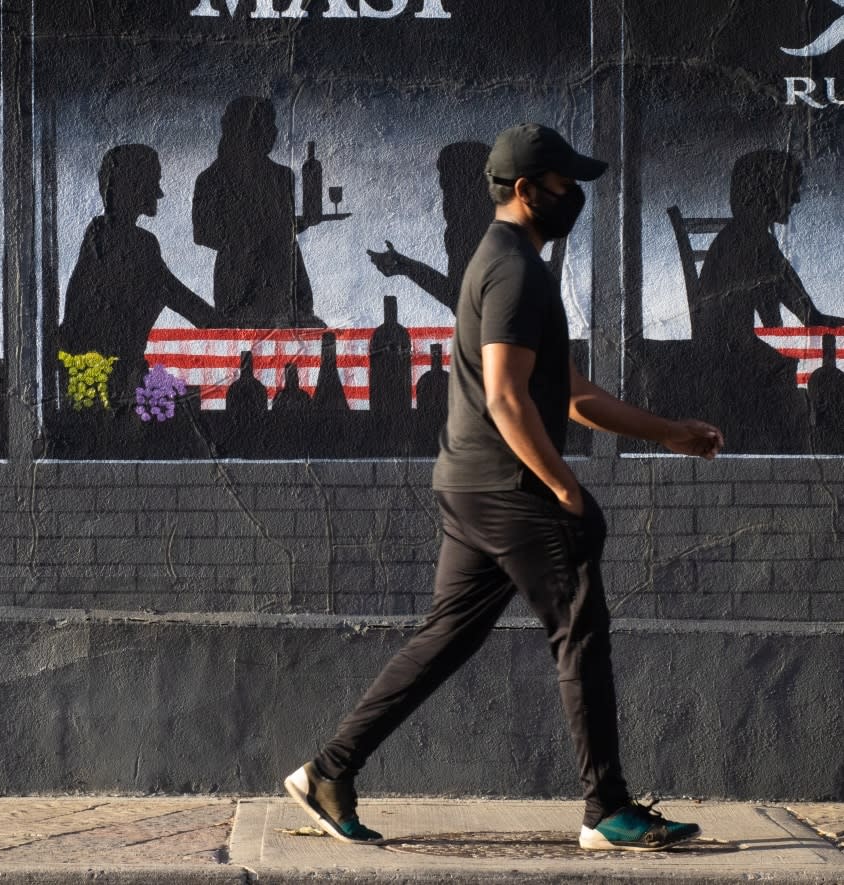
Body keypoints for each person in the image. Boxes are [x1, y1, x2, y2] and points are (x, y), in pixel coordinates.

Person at [284, 123, 724, 852]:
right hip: (510, 486)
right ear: (526, 191)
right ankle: (608, 808)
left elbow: (571, 393)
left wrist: (670, 430)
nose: (573, 197)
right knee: (580, 631)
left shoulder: (504, 262)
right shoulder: (515, 270)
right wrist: (563, 486)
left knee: (447, 636)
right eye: (563, 186)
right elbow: (507, 398)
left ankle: (329, 770)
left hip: (471, 484)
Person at [689, 149, 844, 452]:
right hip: (730, 370)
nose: (797, 199)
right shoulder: (748, 242)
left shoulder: (754, 238)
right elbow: (739, 336)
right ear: (767, 189)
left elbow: (805, 309)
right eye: (791, 188)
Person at [59, 144, 224, 407]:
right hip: (105, 389)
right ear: (133, 186)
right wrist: (237, 318)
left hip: (102, 383)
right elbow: (184, 302)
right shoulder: (134, 243)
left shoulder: (103, 235)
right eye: (153, 182)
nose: (158, 193)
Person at [192, 97, 325, 328]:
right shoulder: (211, 179)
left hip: (287, 282)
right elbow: (202, 233)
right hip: (240, 287)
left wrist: (290, 225)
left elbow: (285, 229)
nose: (274, 132)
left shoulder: (282, 176)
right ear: (246, 130)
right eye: (268, 124)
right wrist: (256, 233)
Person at [366, 142, 494, 316]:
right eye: (445, 190)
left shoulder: (488, 237)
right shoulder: (460, 234)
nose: (447, 202)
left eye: (452, 189)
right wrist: (405, 266)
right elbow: (458, 299)